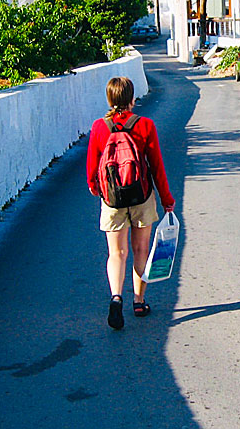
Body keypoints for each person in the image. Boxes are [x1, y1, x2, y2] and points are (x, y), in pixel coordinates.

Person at [86, 77, 175, 330]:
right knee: (140, 250)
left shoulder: (99, 127)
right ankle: (139, 301)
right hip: (142, 196)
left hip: (112, 199)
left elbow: (92, 168)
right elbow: (157, 166)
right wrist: (166, 199)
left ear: (110, 99)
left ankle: (116, 297)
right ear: (132, 99)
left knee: (116, 253)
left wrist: (97, 189)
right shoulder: (145, 125)